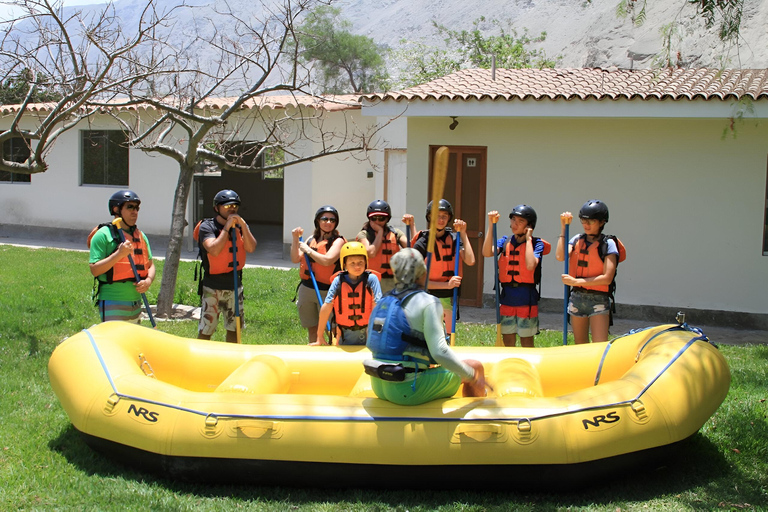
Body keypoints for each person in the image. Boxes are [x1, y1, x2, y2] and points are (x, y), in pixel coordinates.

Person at [364, 248, 488, 405]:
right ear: (422, 273)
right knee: (475, 367)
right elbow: (440, 352)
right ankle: (478, 421)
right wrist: (472, 376)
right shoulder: (428, 301)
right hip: (407, 388)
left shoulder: (384, 300)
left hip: (379, 383)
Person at [402, 199, 476, 335]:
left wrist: (464, 233)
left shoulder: (454, 238)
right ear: (430, 217)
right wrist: (447, 285)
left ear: (449, 218)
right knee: (429, 333)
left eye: (444, 216)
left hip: (448, 296)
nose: (441, 220)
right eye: (437, 216)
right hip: (427, 295)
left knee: (447, 335)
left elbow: (470, 260)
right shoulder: (423, 241)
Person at [482, 205, 549, 347]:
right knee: (508, 341)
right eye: (513, 220)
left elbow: (531, 265)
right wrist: (491, 225)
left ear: (529, 225)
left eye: (520, 221)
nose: (515, 224)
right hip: (507, 299)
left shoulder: (537, 244)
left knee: (526, 341)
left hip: (527, 300)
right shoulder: (505, 241)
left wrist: (529, 239)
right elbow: (487, 252)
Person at [556, 199, 620, 344]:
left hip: (599, 299)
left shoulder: (608, 244)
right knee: (580, 345)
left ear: (602, 222)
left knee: (599, 344)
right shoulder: (577, 239)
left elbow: (607, 278)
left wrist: (575, 281)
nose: (586, 225)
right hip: (577, 297)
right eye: (583, 221)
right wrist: (564, 228)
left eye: (590, 222)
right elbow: (560, 256)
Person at [197, 189, 257, 343]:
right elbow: (214, 250)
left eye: (235, 205)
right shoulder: (207, 227)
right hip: (212, 286)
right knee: (206, 328)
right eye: (227, 206)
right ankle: (201, 359)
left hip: (234, 286)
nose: (232, 208)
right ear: (217, 208)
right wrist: (226, 228)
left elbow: (251, 248)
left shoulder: (239, 227)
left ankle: (233, 358)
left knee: (234, 328)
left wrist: (243, 225)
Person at [88, 190, 155, 323]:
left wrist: (148, 281)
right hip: (112, 300)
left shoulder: (141, 236)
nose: (134, 212)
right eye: (130, 207)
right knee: (113, 342)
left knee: (132, 343)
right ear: (116, 209)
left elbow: (150, 265)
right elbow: (94, 270)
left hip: (136, 301)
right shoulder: (103, 235)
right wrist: (119, 254)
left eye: (136, 208)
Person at [291, 205, 346, 344]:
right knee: (312, 328)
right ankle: (314, 354)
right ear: (318, 221)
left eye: (332, 220)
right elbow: (295, 259)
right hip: (307, 288)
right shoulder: (310, 239)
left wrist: (308, 250)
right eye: (324, 219)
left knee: (331, 329)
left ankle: (332, 355)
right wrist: (295, 239)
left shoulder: (338, 241)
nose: (328, 222)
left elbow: (327, 261)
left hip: (328, 291)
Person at [311, 241, 382, 346]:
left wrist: (375, 333)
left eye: (360, 263)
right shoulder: (338, 281)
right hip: (344, 335)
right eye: (352, 263)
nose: (357, 266)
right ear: (344, 264)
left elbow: (378, 306)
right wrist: (319, 336)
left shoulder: (371, 279)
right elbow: (327, 306)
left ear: (366, 262)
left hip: (368, 333)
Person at [356, 199, 408, 294]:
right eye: (374, 218)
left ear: (387, 219)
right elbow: (371, 253)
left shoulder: (396, 233)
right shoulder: (363, 234)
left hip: (393, 282)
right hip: (372, 281)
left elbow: (413, 248)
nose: (377, 221)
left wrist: (412, 225)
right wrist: (380, 232)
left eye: (381, 218)